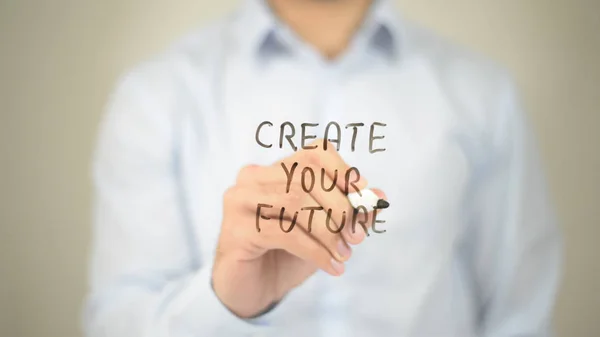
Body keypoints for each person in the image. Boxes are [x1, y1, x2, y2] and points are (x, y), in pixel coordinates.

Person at [83, 0, 563, 336]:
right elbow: (118, 323)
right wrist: (226, 301)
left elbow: (518, 318)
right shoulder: (155, 96)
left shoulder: (483, 95)